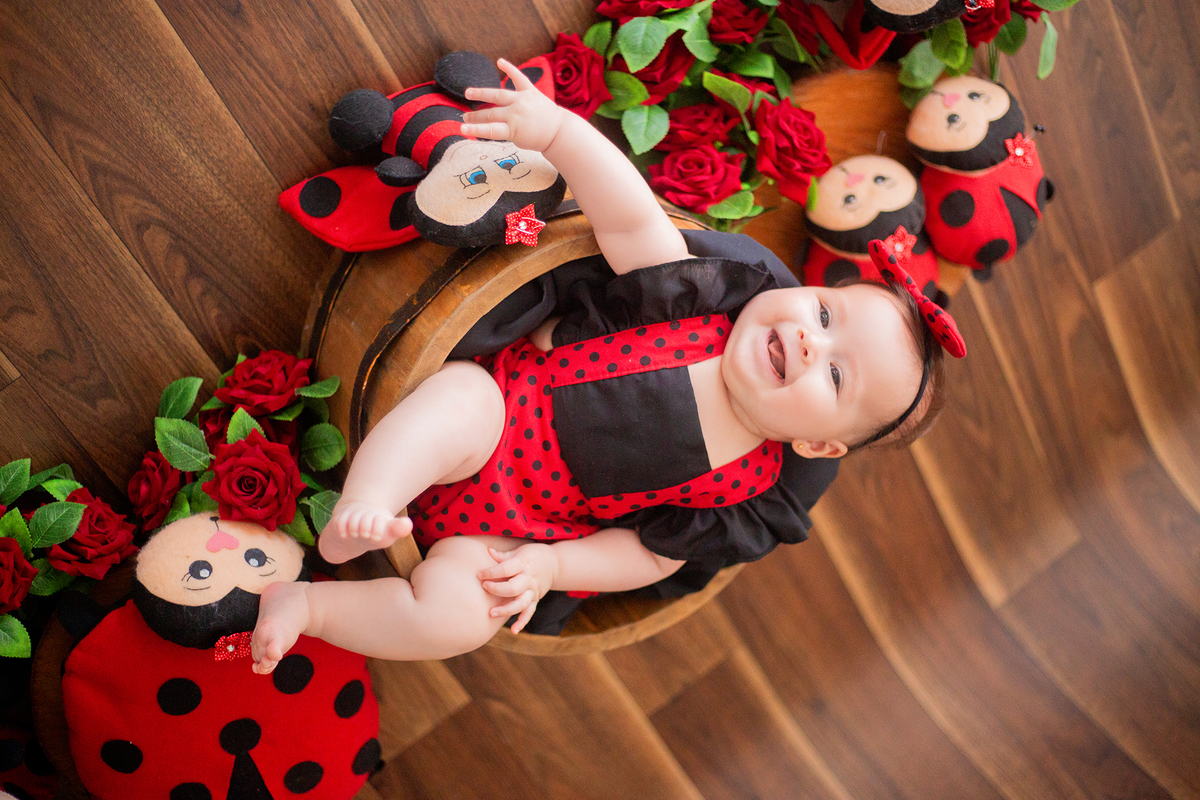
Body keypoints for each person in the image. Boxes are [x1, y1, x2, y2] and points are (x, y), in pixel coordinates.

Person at [250, 58, 963, 672]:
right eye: (826, 315)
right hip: (497, 415)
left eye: (837, 376)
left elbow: (647, 557)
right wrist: (559, 133)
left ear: (816, 446)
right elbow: (627, 217)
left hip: (512, 529)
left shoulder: (741, 493)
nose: (813, 343)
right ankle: (368, 501)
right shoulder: (697, 307)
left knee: (462, 620)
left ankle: (310, 605)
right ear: (804, 290)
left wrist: (552, 566)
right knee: (458, 402)